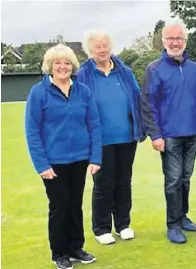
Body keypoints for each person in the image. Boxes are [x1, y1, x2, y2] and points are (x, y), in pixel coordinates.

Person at [25, 44, 101, 269]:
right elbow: (32, 131)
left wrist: (95, 157)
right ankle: (59, 253)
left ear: (72, 66)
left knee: (75, 204)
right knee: (60, 206)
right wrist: (41, 164)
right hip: (53, 162)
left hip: (79, 159)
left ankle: (76, 248)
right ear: (50, 66)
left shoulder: (83, 91)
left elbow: (94, 126)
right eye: (58, 62)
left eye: (67, 62)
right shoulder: (38, 93)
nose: (62, 67)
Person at [77, 30, 145, 245]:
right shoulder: (83, 75)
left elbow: (136, 97)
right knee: (104, 183)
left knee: (124, 182)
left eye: (105, 45)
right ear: (90, 50)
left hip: (126, 137)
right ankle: (101, 228)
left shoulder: (124, 71)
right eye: (98, 46)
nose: (103, 49)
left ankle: (123, 224)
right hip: (99, 140)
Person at [140, 19, 196, 244]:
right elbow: (147, 104)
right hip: (169, 136)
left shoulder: (194, 68)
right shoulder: (154, 69)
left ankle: (183, 216)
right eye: (171, 38)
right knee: (173, 180)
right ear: (164, 41)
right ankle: (173, 225)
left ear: (185, 41)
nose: (175, 42)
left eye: (179, 38)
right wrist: (155, 135)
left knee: (185, 179)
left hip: (192, 132)